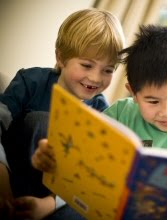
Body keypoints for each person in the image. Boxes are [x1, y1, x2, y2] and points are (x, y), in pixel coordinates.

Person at [32, 25, 167, 175]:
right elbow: (80, 158)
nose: (166, 112)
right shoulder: (119, 114)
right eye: (153, 101)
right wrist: (51, 158)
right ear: (133, 93)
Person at [0, 8, 125, 219]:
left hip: (55, 199)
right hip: (11, 176)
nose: (95, 78)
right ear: (60, 57)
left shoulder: (103, 112)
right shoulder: (30, 82)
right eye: (86, 65)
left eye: (108, 70)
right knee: (42, 122)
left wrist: (48, 204)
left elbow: (87, 178)